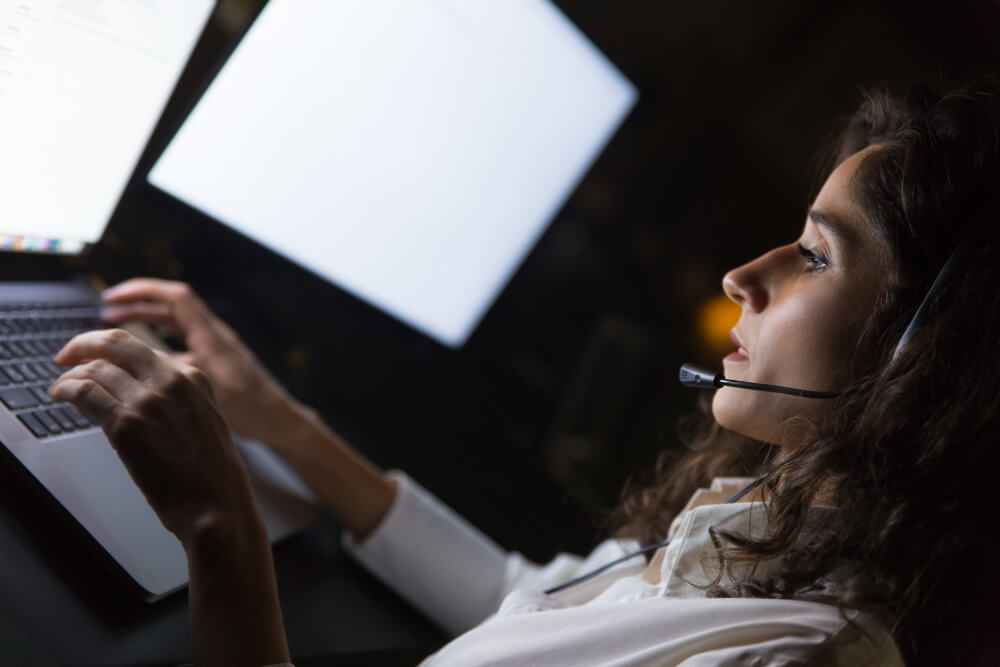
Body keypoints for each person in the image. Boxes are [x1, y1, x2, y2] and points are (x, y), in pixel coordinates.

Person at [48, 80, 998, 666]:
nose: (744, 276)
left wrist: (222, 528)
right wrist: (278, 419)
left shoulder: (801, 655)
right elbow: (529, 598)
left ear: (924, 363)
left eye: (816, 256)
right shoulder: (769, 533)